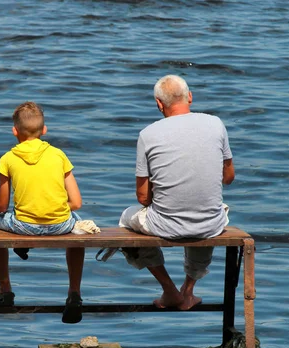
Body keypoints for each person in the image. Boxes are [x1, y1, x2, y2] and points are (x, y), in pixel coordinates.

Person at [98, 75, 235, 310]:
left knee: (126, 218)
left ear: (159, 104)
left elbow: (142, 198)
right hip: (210, 224)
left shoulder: (148, 134)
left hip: (165, 226)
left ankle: (169, 290)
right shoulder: (215, 124)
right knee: (208, 208)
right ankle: (189, 290)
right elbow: (229, 177)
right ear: (190, 97)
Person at [0, 101, 86, 324]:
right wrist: (53, 206)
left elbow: (2, 206)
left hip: (25, 226)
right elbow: (77, 202)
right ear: (44, 130)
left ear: (14, 131)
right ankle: (74, 293)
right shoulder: (59, 155)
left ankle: (5, 290)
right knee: (78, 231)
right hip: (60, 225)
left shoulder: (8, 159)